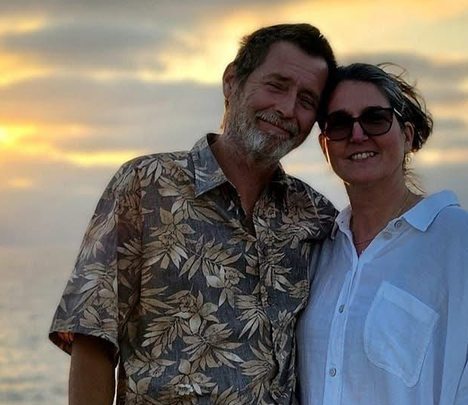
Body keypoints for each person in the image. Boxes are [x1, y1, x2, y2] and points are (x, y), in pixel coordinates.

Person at [48, 23, 338, 405]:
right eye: (276, 85)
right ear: (232, 81)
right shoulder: (146, 186)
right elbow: (93, 339)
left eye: (306, 100)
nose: (287, 108)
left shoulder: (316, 217)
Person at [296, 63, 468, 405]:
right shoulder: (319, 249)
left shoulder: (455, 239)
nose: (358, 134)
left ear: (407, 135)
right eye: (340, 124)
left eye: (375, 119)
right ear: (325, 145)